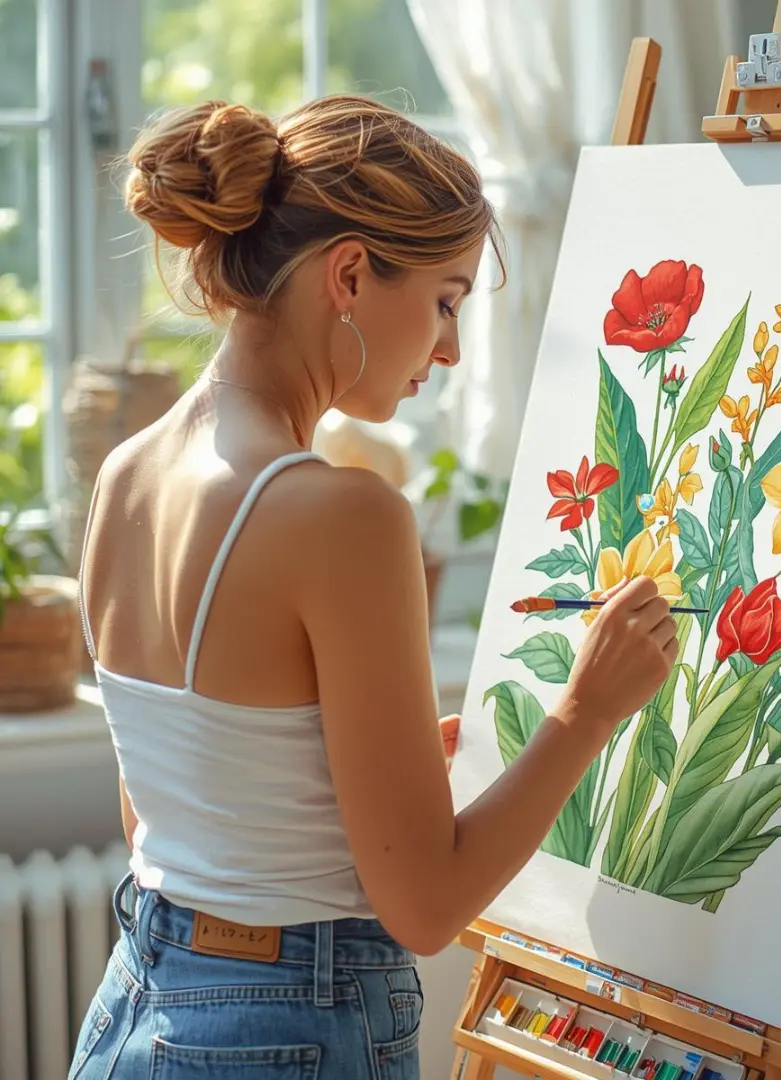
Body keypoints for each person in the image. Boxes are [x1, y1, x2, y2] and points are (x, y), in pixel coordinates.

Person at [69, 96, 678, 1080]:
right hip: (282, 1032)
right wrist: (588, 707)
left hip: (137, 1003)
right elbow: (427, 911)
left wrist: (337, 778)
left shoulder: (127, 473)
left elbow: (166, 816)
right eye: (445, 298)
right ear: (348, 274)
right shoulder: (344, 517)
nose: (450, 349)